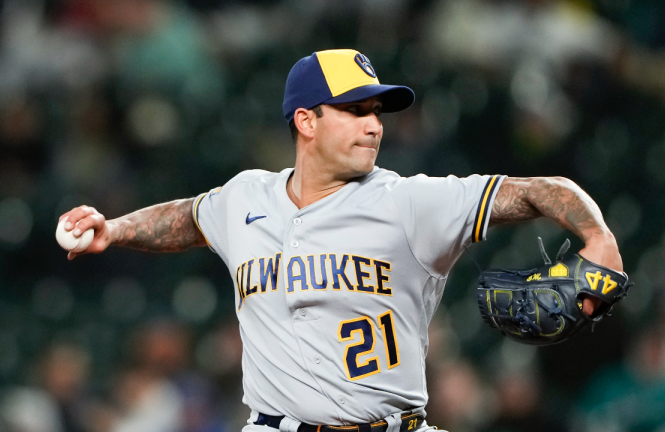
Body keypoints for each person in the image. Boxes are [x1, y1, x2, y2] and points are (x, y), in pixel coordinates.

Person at [60, 49, 623, 432]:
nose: (374, 125)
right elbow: (188, 217)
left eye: (376, 111)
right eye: (355, 111)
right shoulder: (245, 196)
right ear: (306, 121)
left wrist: (597, 237)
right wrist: (116, 229)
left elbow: (539, 190)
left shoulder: (409, 202)